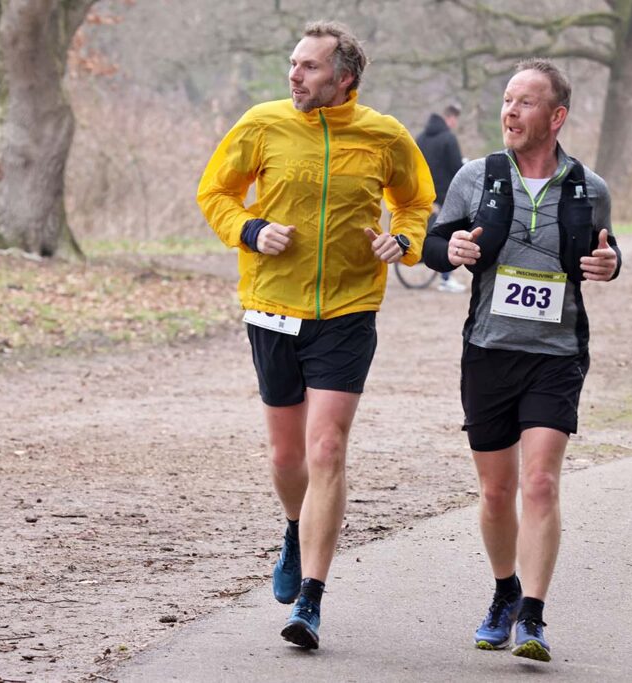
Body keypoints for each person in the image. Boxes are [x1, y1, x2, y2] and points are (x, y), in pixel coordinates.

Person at [196, 20, 434, 650]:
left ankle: (311, 598)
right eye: (293, 64)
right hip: (272, 307)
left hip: (350, 310)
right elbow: (215, 191)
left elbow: (416, 203)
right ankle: (295, 526)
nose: (294, 75)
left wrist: (403, 242)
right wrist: (249, 230)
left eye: (308, 66)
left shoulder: (385, 135)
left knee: (326, 448)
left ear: (343, 78)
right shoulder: (262, 123)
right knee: (286, 458)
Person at [422, 58, 621, 662]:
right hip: (488, 351)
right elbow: (435, 243)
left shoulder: (589, 188)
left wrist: (611, 265)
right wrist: (447, 248)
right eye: (507, 100)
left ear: (556, 116)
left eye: (525, 102)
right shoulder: (476, 177)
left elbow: (605, 251)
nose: (510, 111)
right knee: (496, 490)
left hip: (556, 355)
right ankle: (505, 591)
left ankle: (532, 616)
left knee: (539, 482)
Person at [415, 103, 467, 292]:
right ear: (451, 118)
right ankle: (446, 278)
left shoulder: (420, 138)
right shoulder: (448, 138)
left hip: (423, 194)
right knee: (447, 234)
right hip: (444, 195)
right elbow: (457, 169)